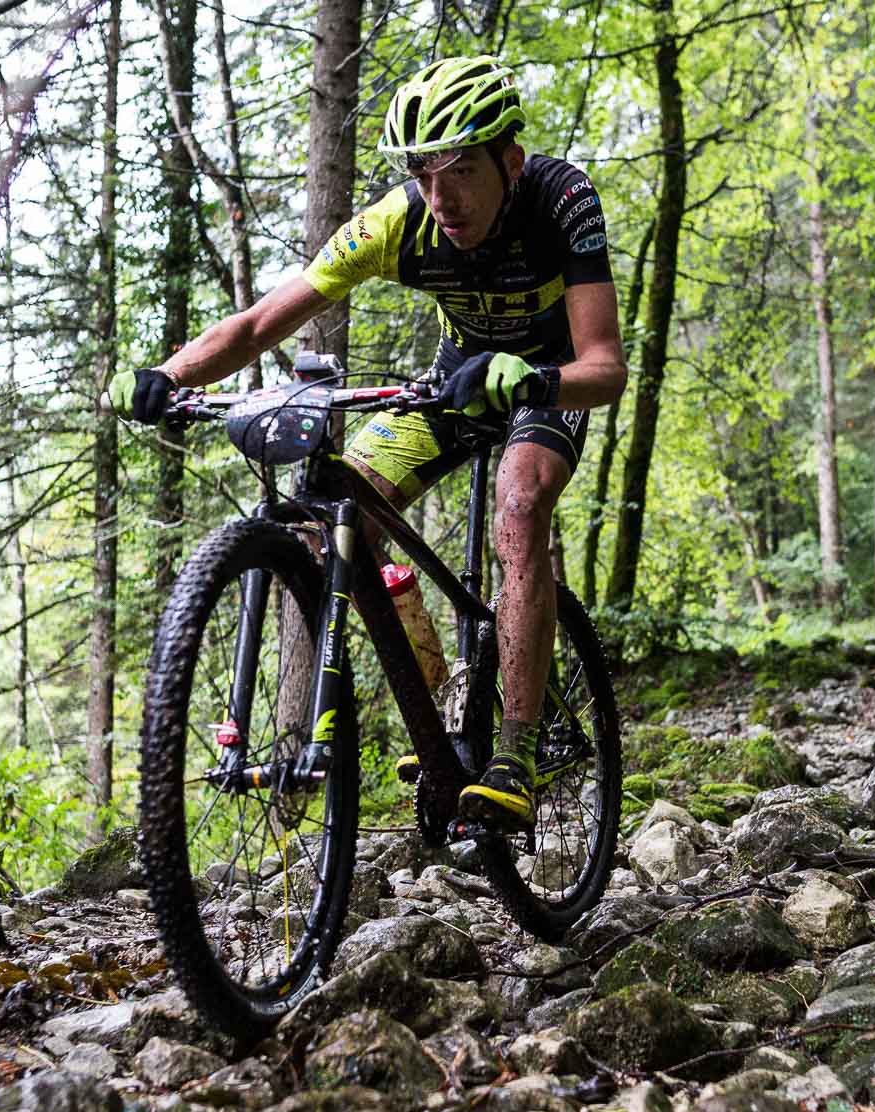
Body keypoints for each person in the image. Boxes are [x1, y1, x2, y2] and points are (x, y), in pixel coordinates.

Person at [107, 55, 626, 830]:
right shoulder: (398, 224)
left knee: (520, 504)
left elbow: (605, 367)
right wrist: (165, 373)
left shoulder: (562, 198)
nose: (439, 197)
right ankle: (443, 711)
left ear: (509, 160)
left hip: (549, 379)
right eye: (421, 173)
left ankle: (515, 751)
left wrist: (535, 380)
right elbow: (256, 325)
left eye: (456, 170)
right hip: (455, 382)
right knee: (337, 514)